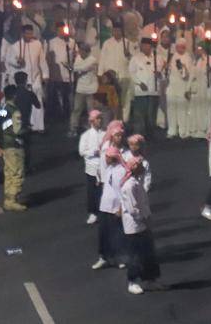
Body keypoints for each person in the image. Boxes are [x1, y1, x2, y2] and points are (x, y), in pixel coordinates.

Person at [120, 157, 159, 294]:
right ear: (134, 167)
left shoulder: (137, 182)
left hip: (143, 224)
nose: (143, 167)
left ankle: (150, 279)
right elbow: (133, 209)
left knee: (148, 253)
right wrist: (144, 219)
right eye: (140, 165)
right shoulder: (129, 186)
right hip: (134, 227)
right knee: (135, 255)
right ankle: (133, 281)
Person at [93, 142, 127, 270]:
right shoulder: (109, 169)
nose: (105, 159)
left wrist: (120, 208)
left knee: (117, 234)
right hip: (105, 207)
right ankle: (104, 257)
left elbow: (122, 191)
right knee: (104, 233)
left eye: (107, 157)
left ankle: (120, 257)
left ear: (113, 158)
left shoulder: (121, 171)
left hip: (115, 208)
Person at [0, 84, 28, 212]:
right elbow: (18, 130)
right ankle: (13, 200)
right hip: (15, 145)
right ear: (14, 95)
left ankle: (8, 198)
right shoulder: (15, 111)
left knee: (8, 172)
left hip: (5, 145)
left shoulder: (1, 109)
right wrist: (27, 130)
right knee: (17, 173)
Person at [127, 37, 160, 138]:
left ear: (151, 46)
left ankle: (151, 135)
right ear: (141, 46)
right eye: (144, 45)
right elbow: (131, 73)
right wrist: (139, 83)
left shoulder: (157, 58)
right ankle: (138, 136)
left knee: (151, 116)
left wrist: (160, 74)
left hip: (153, 91)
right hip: (141, 91)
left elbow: (162, 72)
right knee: (139, 115)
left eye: (148, 46)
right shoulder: (135, 58)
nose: (146, 47)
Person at [78, 109, 105, 224]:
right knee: (92, 192)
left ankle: (104, 212)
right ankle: (93, 213)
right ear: (92, 121)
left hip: (103, 167)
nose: (99, 121)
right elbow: (81, 151)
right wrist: (94, 153)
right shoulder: (86, 135)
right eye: (97, 119)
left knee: (104, 191)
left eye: (100, 119)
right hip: (91, 169)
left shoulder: (104, 134)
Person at [70, 42, 100, 137]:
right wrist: (74, 67)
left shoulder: (93, 60)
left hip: (91, 89)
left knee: (91, 111)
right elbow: (76, 68)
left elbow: (83, 68)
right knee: (76, 109)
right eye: (80, 51)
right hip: (80, 89)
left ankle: (93, 129)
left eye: (82, 51)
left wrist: (72, 67)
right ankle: (73, 128)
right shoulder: (78, 58)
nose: (80, 53)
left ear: (87, 51)